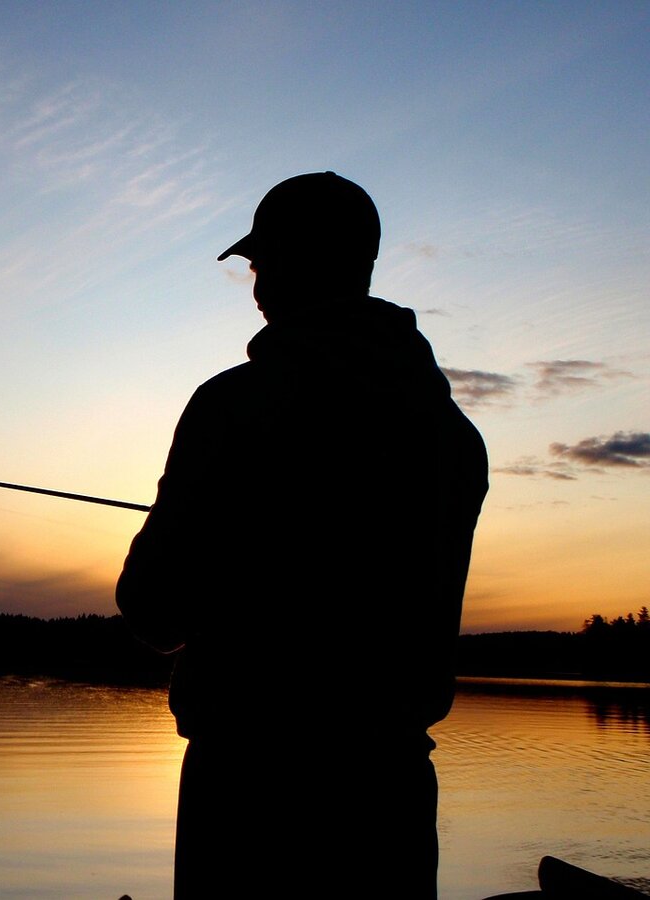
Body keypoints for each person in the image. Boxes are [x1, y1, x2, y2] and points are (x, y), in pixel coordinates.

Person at [116, 172, 488, 898]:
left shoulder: (231, 406)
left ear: (290, 265)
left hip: (248, 791)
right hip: (392, 799)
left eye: (261, 263)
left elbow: (152, 607)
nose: (254, 286)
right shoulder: (453, 437)